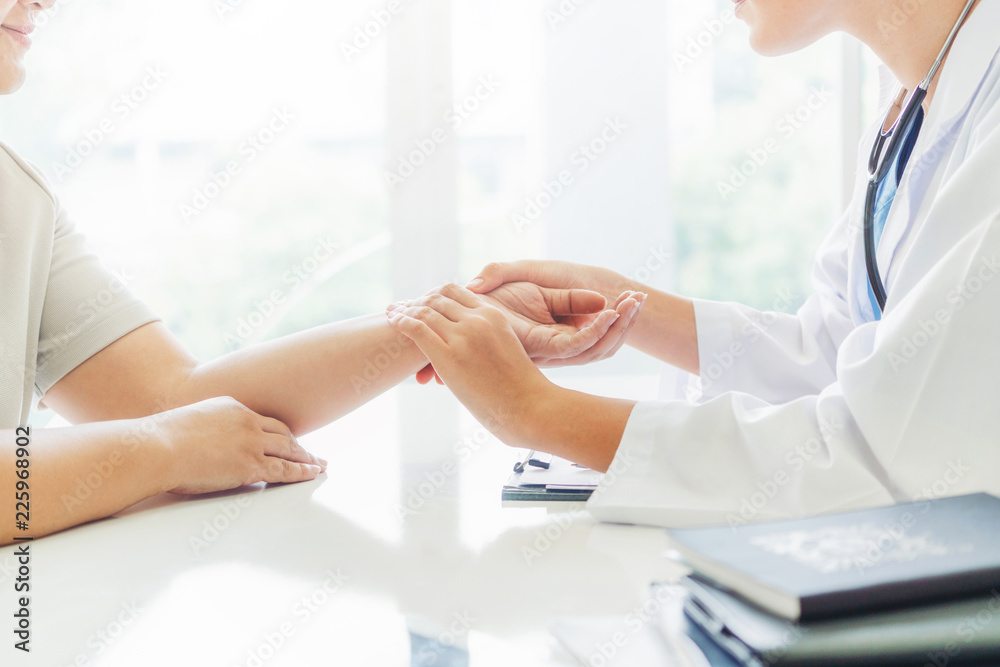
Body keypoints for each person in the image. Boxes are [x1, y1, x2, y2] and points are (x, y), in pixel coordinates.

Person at [0, 0, 646, 546]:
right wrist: (165, 446)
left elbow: (178, 403)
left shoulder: (18, 198)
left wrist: (447, 324)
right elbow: (175, 428)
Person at [388, 0, 1000, 527]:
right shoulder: (921, 98)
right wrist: (623, 302)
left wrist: (536, 412)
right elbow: (843, 359)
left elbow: (882, 457)